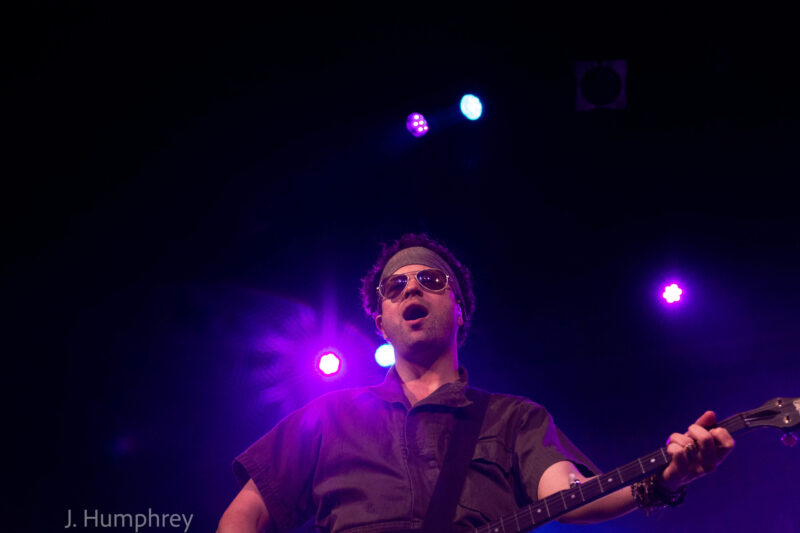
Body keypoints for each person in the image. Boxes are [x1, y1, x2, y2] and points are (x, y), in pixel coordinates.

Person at [217, 233, 735, 533]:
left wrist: (663, 479)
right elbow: (246, 512)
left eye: (430, 280)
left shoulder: (514, 418)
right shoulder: (328, 416)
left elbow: (570, 493)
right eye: (395, 286)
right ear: (381, 322)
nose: (412, 289)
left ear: (458, 308)